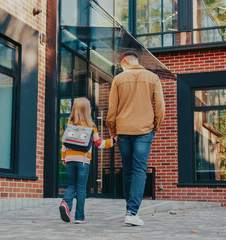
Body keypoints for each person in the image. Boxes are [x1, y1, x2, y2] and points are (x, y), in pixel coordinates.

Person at [106, 51, 165, 226]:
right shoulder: (152, 77)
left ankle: (129, 211)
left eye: (120, 65)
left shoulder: (118, 79)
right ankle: (132, 212)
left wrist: (112, 129)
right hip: (144, 130)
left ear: (125, 62)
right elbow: (160, 107)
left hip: (123, 131)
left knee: (128, 170)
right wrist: (155, 126)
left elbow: (112, 110)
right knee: (140, 170)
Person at [59, 97, 115, 224]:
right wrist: (114, 141)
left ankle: (65, 203)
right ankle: (79, 217)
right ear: (87, 110)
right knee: (81, 188)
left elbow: (64, 143)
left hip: (69, 158)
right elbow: (99, 143)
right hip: (83, 161)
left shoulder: (69, 125)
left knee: (72, 185)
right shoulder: (91, 126)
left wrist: (63, 157)